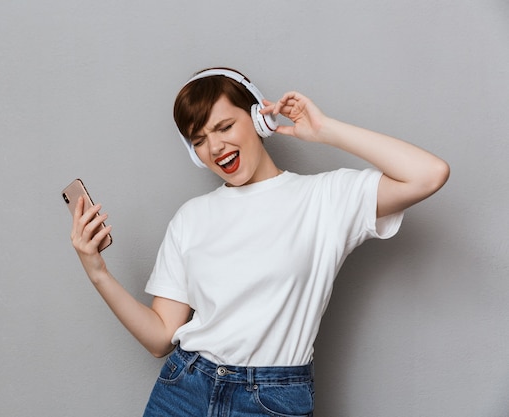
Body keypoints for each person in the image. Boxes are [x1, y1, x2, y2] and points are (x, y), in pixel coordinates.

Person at [69, 68, 450, 417]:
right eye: (199, 139)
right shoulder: (191, 217)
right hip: (183, 388)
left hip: (271, 400)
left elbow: (428, 175)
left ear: (257, 120)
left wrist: (324, 130)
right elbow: (160, 338)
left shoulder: (324, 198)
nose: (215, 147)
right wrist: (97, 271)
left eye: (224, 127)